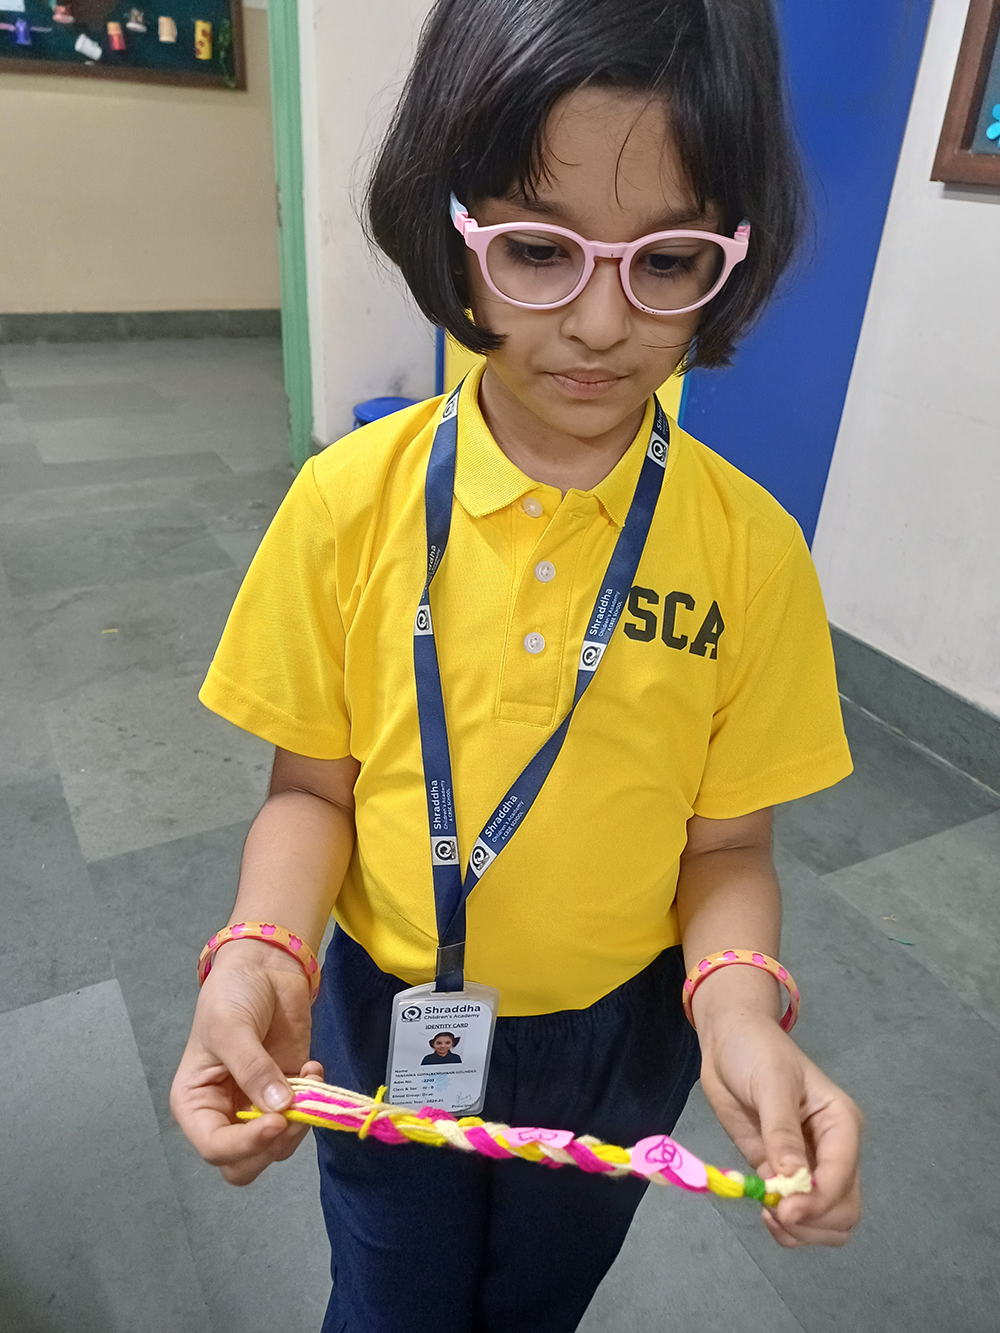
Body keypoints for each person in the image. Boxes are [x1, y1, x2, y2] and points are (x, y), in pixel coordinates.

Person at [170, 2, 864, 1329]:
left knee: (542, 1300)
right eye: (539, 249)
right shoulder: (344, 506)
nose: (600, 322)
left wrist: (738, 1013)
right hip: (386, 1013)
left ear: (732, 256)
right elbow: (311, 790)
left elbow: (727, 849)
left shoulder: (753, 553)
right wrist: (262, 952)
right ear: (457, 236)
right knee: (390, 1296)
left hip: (620, 1036)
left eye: (668, 261)